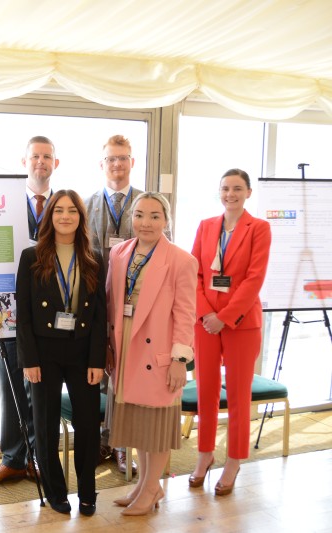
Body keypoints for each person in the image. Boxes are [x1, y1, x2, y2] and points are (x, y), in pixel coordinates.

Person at [106, 192, 197, 516]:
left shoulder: (181, 260)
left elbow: (186, 315)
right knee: (138, 425)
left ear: (167, 220)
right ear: (132, 218)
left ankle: (150, 486)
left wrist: (178, 361)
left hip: (158, 351)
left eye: (155, 216)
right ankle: (147, 485)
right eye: (140, 215)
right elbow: (111, 302)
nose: (146, 222)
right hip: (126, 347)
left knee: (155, 426)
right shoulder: (118, 253)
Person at [16, 190, 106, 516]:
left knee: (87, 425)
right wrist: (29, 360)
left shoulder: (94, 257)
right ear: (49, 216)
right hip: (44, 353)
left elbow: (100, 315)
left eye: (72, 211)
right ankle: (56, 491)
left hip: (83, 353)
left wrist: (98, 360)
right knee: (45, 424)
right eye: (59, 211)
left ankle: (87, 492)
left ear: (81, 218)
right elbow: (23, 314)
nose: (65, 216)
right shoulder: (31, 257)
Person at [0, 135, 58, 485]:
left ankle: (40, 459)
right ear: (24, 163)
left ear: (56, 163)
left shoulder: (66, 206)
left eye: (47, 157)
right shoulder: (2, 202)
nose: (40, 162)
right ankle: (12, 458)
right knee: (10, 384)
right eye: (35, 156)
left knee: (43, 387)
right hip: (6, 308)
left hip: (53, 314)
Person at [189, 169, 271, 496]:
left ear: (248, 192)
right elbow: (193, 273)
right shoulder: (206, 226)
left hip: (240, 323)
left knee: (238, 395)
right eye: (225, 188)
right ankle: (205, 453)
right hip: (205, 321)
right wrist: (207, 313)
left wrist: (224, 317)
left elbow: (254, 279)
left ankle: (234, 459)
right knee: (206, 390)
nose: (230, 194)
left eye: (237, 189)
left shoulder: (259, 228)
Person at [85, 134, 153, 476]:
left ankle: (125, 446)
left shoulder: (147, 202)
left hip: (136, 306)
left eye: (123, 158)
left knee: (127, 377)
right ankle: (103, 441)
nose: (117, 164)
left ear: (132, 162)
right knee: (100, 373)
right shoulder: (86, 203)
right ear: (102, 164)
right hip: (98, 302)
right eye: (111, 159)